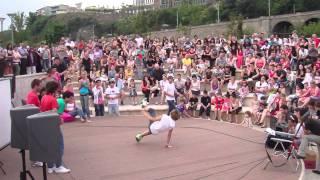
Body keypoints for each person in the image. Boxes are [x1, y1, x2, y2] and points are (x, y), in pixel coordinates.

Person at [40, 81, 71, 174]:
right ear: (54, 89)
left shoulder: (44, 97)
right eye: (57, 89)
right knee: (59, 145)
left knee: (49, 146)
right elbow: (54, 113)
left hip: (45, 125)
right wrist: (60, 120)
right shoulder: (53, 99)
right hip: (53, 126)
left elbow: (43, 111)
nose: (58, 90)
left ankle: (50, 166)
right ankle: (58, 165)